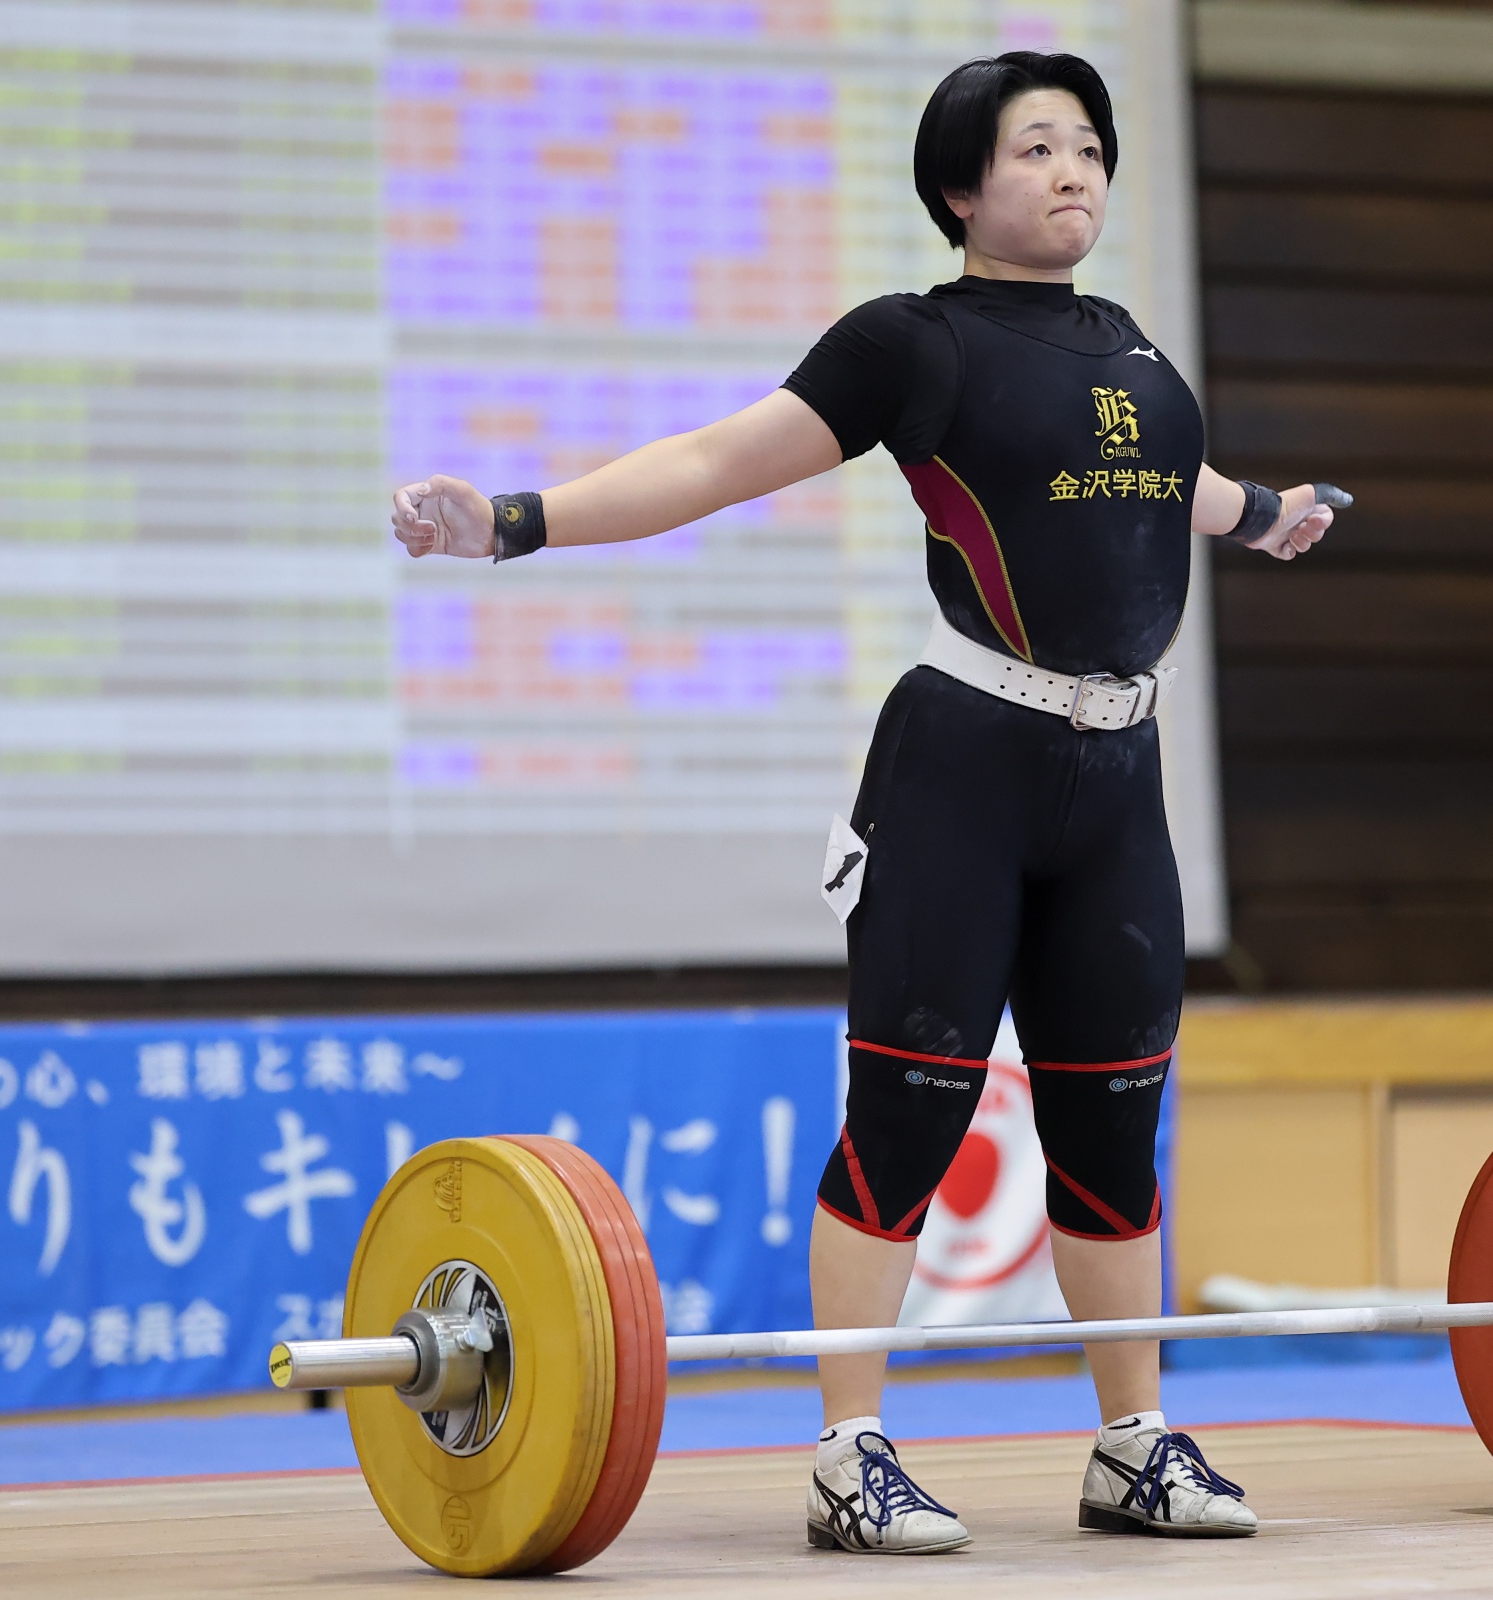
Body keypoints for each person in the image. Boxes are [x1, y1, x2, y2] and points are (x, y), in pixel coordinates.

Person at [391, 51, 1341, 1556]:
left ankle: (1132, 1444)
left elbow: (1173, 485)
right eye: (1036, 148)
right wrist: (513, 521)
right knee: (908, 1114)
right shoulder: (913, 342)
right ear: (960, 186)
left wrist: (1270, 514)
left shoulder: (1130, 349)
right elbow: (717, 460)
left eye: (1090, 148)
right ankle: (851, 1453)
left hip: (1117, 782)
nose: (1075, 171)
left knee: (1112, 1124)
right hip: (964, 767)